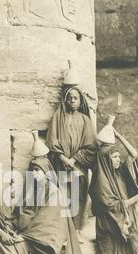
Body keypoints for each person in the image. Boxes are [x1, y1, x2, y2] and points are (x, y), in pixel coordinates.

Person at [46, 86, 97, 242]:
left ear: (80, 100)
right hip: (61, 164)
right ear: (65, 100)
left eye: (76, 98)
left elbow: (91, 146)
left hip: (78, 166)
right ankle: (64, 231)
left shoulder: (84, 119)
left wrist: (74, 160)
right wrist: (62, 158)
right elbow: (52, 141)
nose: (72, 101)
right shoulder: (57, 117)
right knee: (62, 197)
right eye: (70, 98)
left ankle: (76, 230)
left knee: (78, 197)